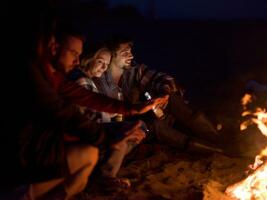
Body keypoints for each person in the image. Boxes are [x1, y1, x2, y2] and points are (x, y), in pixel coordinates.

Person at [94, 35, 224, 153]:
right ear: (112, 55)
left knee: (171, 98)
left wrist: (164, 94)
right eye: (125, 53)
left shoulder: (133, 71)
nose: (131, 56)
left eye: (131, 52)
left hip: (144, 116)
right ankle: (210, 149)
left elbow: (163, 79)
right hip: (130, 129)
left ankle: (216, 138)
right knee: (155, 125)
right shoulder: (99, 80)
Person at [68, 44, 147, 191]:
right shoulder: (81, 81)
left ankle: (105, 166)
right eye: (100, 62)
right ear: (88, 59)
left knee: (136, 128)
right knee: (133, 128)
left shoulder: (87, 80)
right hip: (87, 134)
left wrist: (116, 116)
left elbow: (94, 110)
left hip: (94, 130)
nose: (104, 68)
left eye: (106, 64)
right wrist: (120, 126)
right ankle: (104, 175)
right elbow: (95, 117)